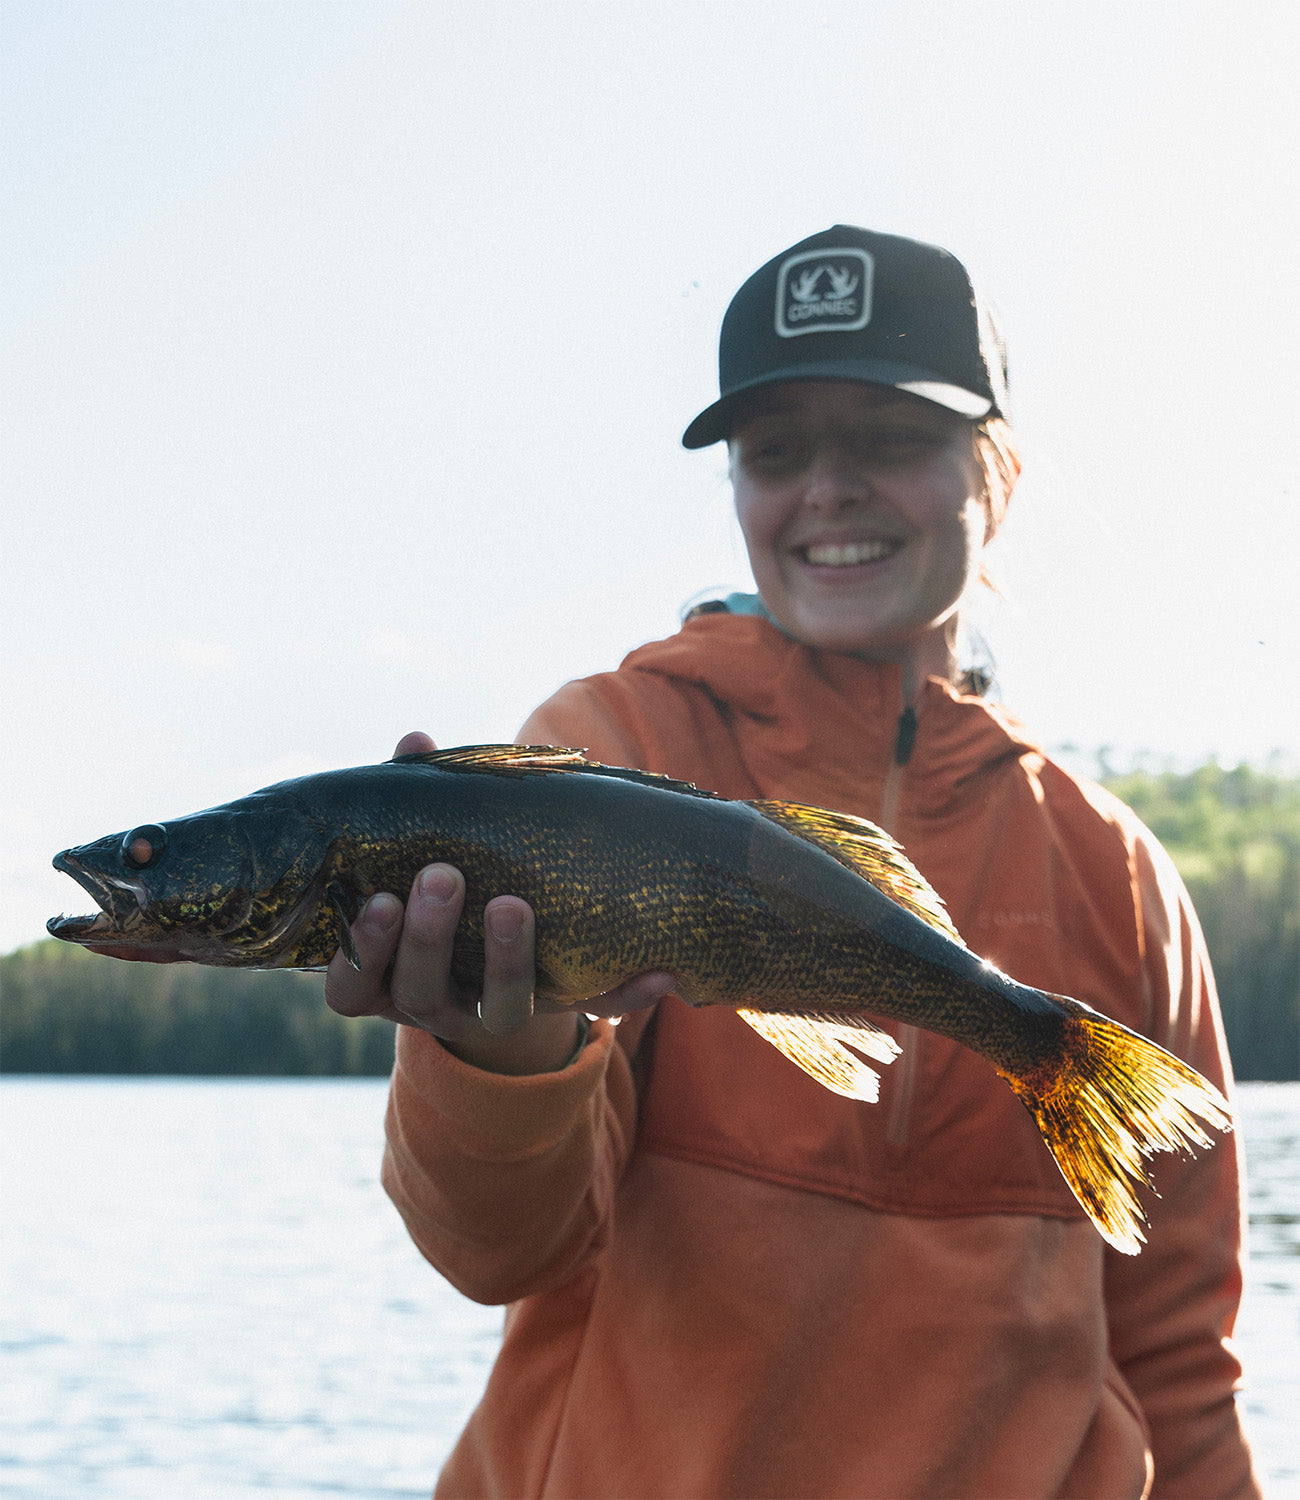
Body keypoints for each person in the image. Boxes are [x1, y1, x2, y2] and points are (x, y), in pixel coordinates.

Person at [325, 226, 1260, 1499]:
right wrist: (495, 1054)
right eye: (776, 453)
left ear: (998, 476)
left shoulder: (1118, 871)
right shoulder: (609, 749)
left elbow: (1178, 1360)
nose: (827, 488)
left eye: (889, 438)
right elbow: (498, 1252)